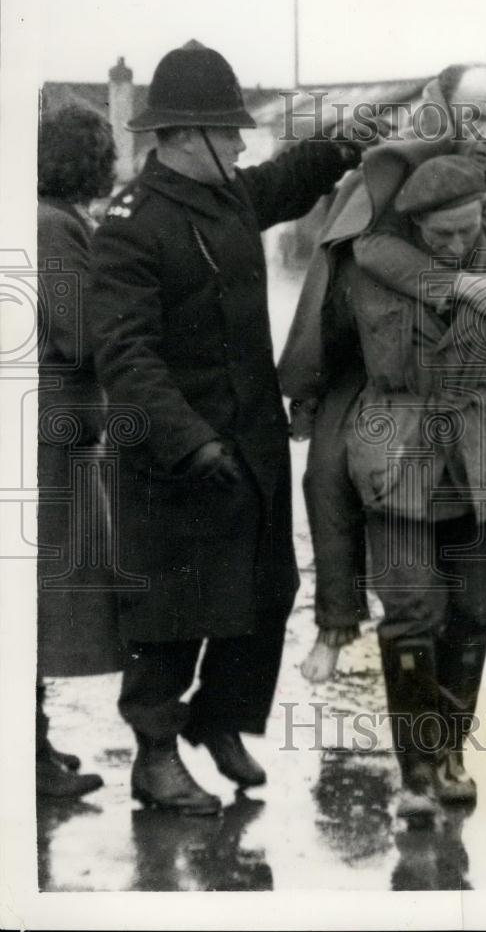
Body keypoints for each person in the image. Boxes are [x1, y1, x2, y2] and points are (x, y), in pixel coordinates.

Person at [88, 41, 363, 815]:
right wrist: (188, 440)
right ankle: (153, 754)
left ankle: (220, 722)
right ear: (179, 136)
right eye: (228, 131)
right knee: (172, 611)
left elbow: (293, 177)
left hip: (251, 445)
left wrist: (352, 136)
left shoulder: (228, 196)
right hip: (175, 460)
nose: (242, 144)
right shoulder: (131, 226)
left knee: (264, 591)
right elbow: (125, 354)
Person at [286, 62, 486, 677]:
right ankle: (336, 620)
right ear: (441, 109)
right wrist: (455, 284)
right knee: (324, 473)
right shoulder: (392, 164)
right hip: (384, 359)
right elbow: (356, 252)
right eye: (474, 114)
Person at [346, 156, 486, 819]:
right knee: (410, 613)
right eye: (440, 235)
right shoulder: (372, 259)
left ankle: (452, 751)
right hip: (396, 452)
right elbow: (334, 342)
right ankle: (418, 770)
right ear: (414, 223)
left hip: (482, 452)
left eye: (465, 230)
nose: (456, 243)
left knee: (476, 613)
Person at [37, 104, 123, 799]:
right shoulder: (55, 226)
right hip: (50, 435)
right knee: (37, 599)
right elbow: (81, 335)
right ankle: (25, 755)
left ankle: (29, 743)